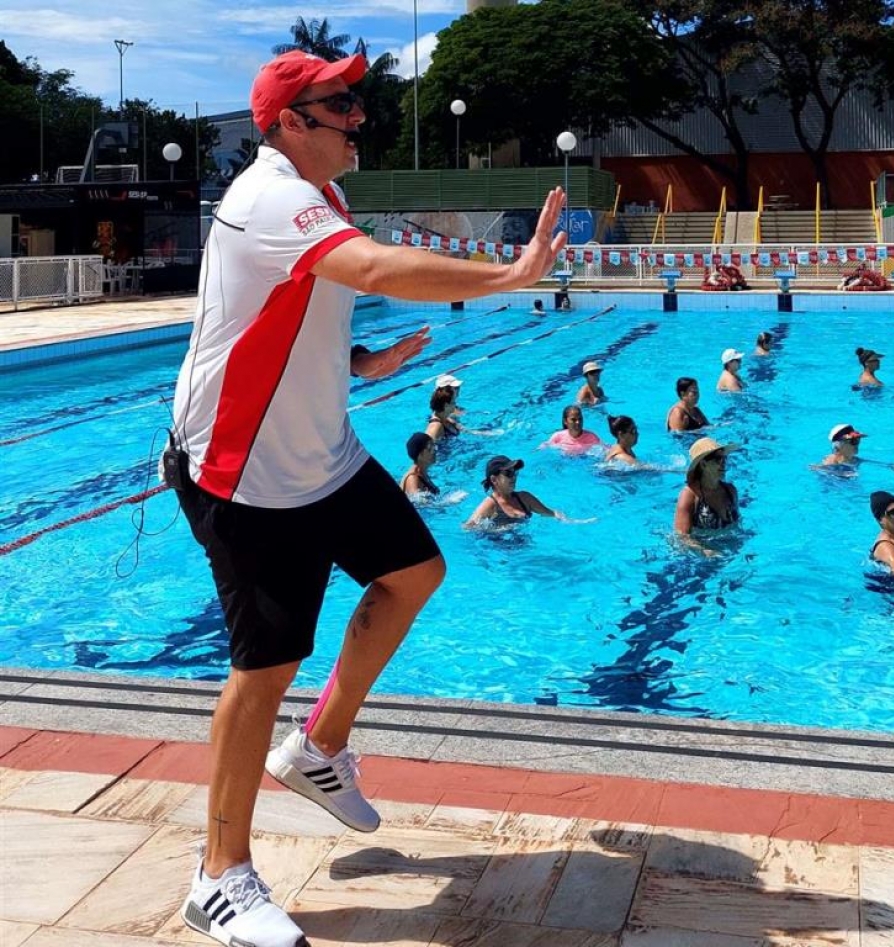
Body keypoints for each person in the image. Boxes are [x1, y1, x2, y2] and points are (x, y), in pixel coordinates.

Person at [168, 49, 568, 947]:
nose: (359, 118)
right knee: (262, 671)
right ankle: (218, 877)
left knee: (414, 571)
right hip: (247, 473)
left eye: (354, 102)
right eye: (339, 106)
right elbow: (379, 272)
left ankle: (316, 749)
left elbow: (275, 319)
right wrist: (509, 277)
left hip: (322, 455)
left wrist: (357, 364)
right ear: (288, 123)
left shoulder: (315, 196)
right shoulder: (270, 198)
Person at [673, 437, 741, 556]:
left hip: (728, 549)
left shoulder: (730, 491)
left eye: (725, 458)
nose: (723, 463)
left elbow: (737, 526)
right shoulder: (690, 495)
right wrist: (705, 551)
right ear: (703, 464)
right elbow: (681, 537)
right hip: (699, 558)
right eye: (718, 459)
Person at [464, 455, 566, 526]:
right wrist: (499, 529)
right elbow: (467, 528)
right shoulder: (490, 504)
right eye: (508, 474)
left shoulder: (525, 498)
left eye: (514, 473)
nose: (513, 477)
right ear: (494, 480)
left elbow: (550, 513)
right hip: (499, 554)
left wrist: (570, 521)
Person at [400, 432, 440, 498]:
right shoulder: (412, 478)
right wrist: (450, 501)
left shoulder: (422, 472)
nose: (435, 450)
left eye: (434, 446)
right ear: (420, 455)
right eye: (430, 448)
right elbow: (419, 503)